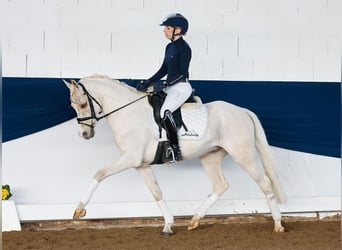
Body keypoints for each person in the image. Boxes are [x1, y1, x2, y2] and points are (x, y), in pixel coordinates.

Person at [136, 13, 193, 161]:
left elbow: (182, 73)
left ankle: (175, 148)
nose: (164, 31)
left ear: (178, 30)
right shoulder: (169, 47)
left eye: (167, 28)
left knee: (165, 111)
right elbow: (163, 70)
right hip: (171, 87)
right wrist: (148, 81)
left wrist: (166, 83)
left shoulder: (185, 48)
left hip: (181, 87)